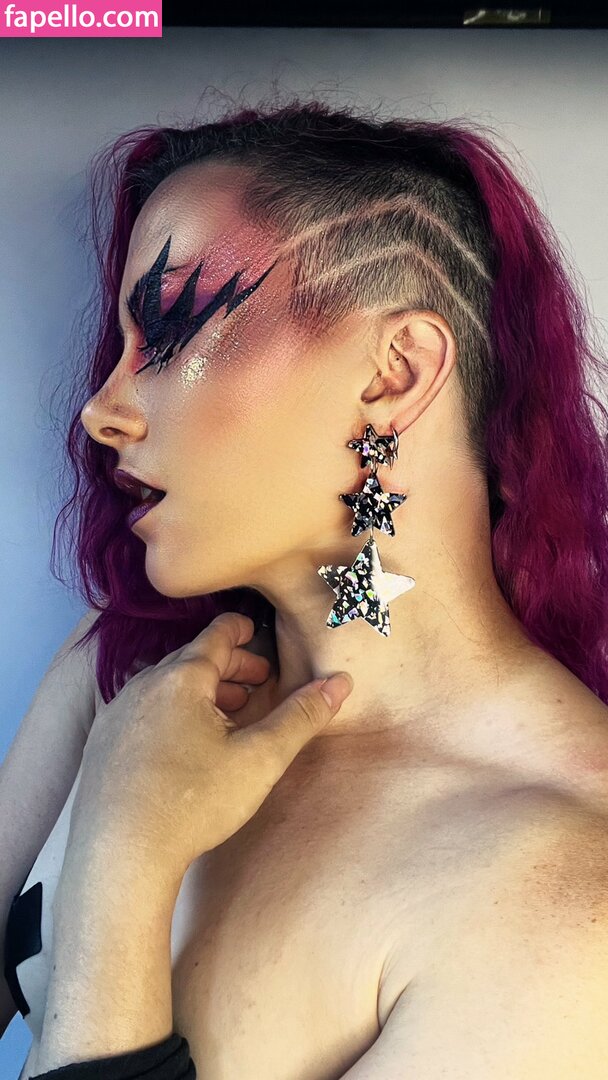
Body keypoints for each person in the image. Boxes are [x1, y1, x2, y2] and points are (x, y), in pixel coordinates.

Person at [3, 98, 608, 1079]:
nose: (102, 410)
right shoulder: (129, 665)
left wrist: (122, 864)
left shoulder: (570, 900)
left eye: (167, 334)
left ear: (392, 373)